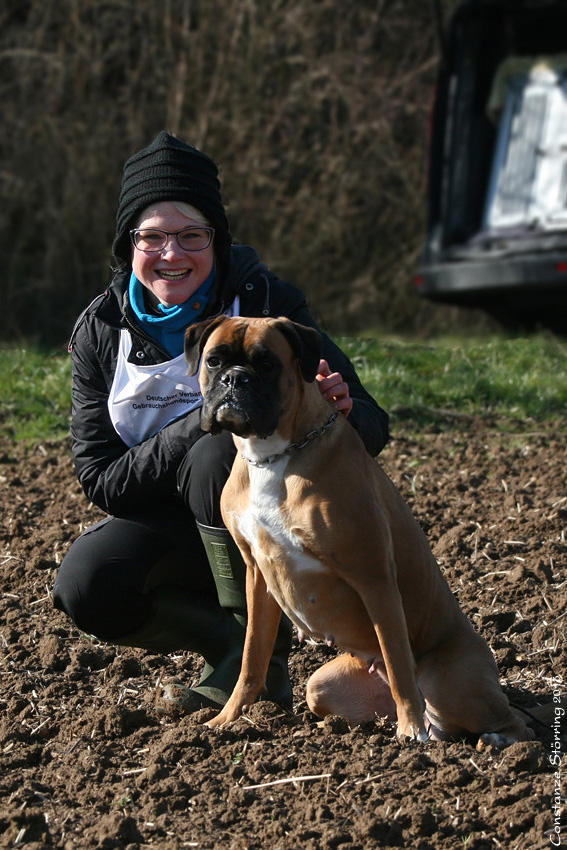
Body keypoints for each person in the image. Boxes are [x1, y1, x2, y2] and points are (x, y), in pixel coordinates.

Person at [53, 131, 390, 714]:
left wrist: (340, 409)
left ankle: (267, 662)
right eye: (151, 237)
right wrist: (205, 419)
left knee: (220, 457)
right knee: (86, 583)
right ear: (128, 245)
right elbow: (100, 479)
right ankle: (226, 643)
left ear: (218, 241)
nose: (171, 254)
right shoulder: (100, 331)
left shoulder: (266, 299)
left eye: (192, 236)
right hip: (172, 526)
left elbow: (372, 424)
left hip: (277, 523)